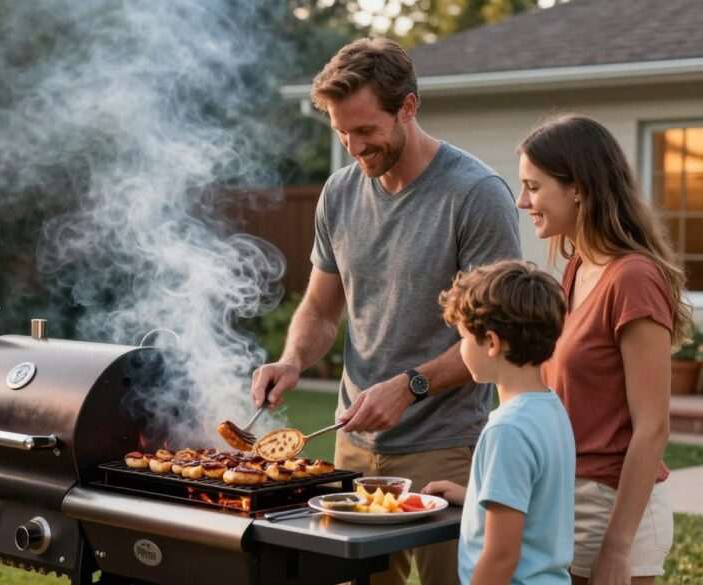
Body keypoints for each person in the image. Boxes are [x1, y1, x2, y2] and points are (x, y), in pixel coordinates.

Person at [250, 38, 521, 585]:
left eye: (366, 131)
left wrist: (411, 385)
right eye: (342, 132)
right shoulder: (339, 194)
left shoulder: (475, 194)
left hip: (445, 447)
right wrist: (293, 360)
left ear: (408, 108)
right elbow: (322, 309)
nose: (353, 146)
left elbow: (498, 334)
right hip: (353, 447)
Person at [517, 115, 682, 585]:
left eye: (534, 186)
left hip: (610, 509)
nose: (522, 200)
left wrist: (617, 547)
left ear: (578, 189)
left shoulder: (632, 279)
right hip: (565, 500)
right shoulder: (576, 269)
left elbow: (653, 427)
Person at [423, 260, 575, 585]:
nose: (461, 348)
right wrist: (475, 496)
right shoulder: (551, 410)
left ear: (491, 343)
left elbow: (501, 556)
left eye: (463, 338)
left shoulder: (507, 429)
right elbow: (534, 501)